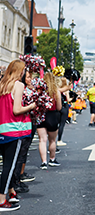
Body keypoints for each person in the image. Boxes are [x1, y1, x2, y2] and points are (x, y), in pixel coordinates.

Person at [0, 60, 36, 211]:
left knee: (6, 164)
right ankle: (2, 200)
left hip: (3, 129)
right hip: (15, 130)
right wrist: (32, 106)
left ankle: (11, 191)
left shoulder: (2, 84)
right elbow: (16, 110)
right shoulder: (18, 85)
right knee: (10, 165)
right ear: (20, 71)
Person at [37, 72, 63, 169]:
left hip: (41, 115)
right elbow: (59, 107)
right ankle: (52, 159)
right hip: (52, 116)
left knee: (42, 140)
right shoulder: (56, 91)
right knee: (52, 140)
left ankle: (44, 162)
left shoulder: (40, 91)